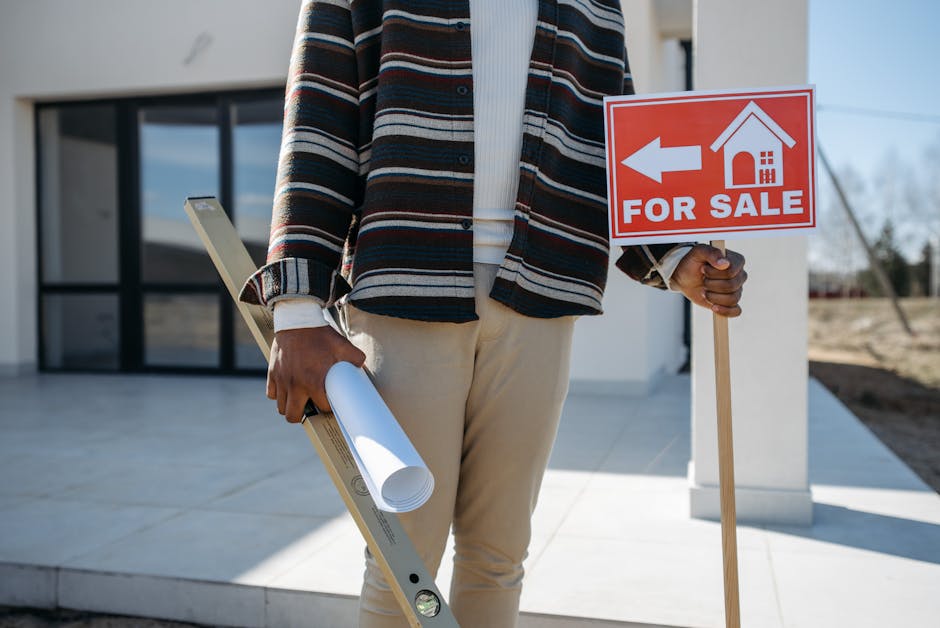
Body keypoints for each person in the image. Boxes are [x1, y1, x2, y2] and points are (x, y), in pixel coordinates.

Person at [240, 1, 747, 626]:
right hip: (406, 284)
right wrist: (295, 310)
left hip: (541, 289)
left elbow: (616, 134)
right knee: (404, 560)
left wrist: (674, 255)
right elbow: (320, 120)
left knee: (500, 554)